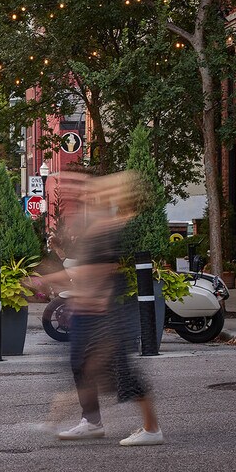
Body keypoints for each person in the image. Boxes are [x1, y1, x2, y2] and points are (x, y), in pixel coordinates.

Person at [54, 172, 163, 446]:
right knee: (81, 365)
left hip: (103, 313)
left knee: (121, 370)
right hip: (89, 310)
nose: (85, 198)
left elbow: (102, 269)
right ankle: (91, 421)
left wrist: (58, 283)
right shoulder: (96, 227)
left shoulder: (106, 228)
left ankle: (152, 429)